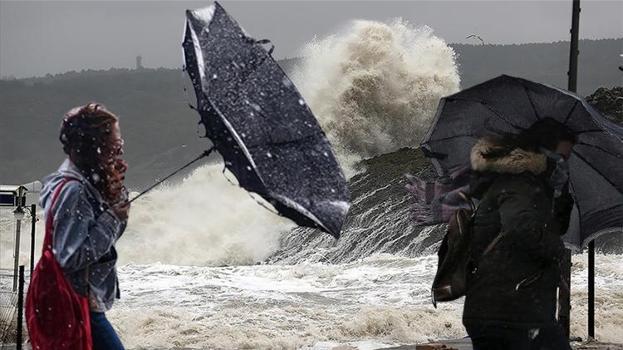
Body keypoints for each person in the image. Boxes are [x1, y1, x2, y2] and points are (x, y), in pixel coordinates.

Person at [463, 118, 576, 350]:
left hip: (514, 309)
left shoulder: (535, 186)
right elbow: (519, 227)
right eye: (561, 158)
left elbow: (552, 228)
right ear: (542, 153)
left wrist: (561, 195)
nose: (564, 164)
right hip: (509, 311)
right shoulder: (518, 183)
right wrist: (557, 250)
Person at [39, 103, 129, 349]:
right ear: (95, 145)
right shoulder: (74, 190)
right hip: (76, 303)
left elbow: (106, 240)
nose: (120, 146)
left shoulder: (77, 181)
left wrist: (113, 191)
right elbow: (72, 255)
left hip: (74, 301)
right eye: (115, 139)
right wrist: (111, 216)